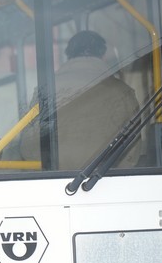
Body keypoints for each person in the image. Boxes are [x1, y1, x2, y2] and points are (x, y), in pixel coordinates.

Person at [20, 30, 141, 169]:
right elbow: (132, 148)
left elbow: (29, 143)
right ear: (102, 55)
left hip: (53, 179)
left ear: (69, 55)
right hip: (105, 179)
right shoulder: (120, 90)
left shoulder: (46, 90)